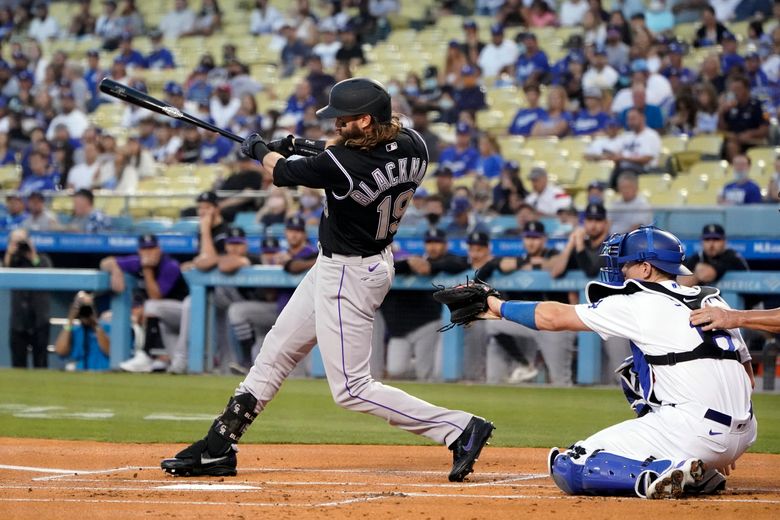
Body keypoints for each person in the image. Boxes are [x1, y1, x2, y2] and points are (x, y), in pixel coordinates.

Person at [161, 77, 494, 481]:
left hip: (347, 274)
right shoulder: (413, 143)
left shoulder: (344, 166)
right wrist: (301, 145)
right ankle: (218, 445)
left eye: (344, 119)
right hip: (361, 262)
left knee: (352, 388)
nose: (335, 125)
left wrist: (260, 150)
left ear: (367, 120)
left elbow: (281, 173)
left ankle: (459, 428)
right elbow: (344, 154)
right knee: (277, 349)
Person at [479, 225, 756, 498]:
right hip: (742, 431)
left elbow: (553, 317)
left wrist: (499, 307)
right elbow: (747, 375)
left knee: (571, 464)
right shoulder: (715, 301)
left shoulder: (638, 301)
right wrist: (727, 437)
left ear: (646, 269)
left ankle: (666, 469)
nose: (621, 270)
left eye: (626, 264)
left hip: (696, 432)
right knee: (633, 369)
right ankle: (699, 471)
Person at [227, 217, 318, 372]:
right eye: (290, 230)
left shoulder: (311, 253)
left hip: (303, 315)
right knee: (237, 311)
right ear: (285, 232)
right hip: (279, 309)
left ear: (303, 234)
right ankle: (245, 361)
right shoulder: (280, 255)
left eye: (297, 231)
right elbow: (270, 294)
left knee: (303, 371)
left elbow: (300, 265)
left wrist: (290, 262)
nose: (294, 235)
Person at [383, 228, 468, 381]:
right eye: (429, 242)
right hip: (402, 327)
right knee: (395, 370)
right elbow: (393, 267)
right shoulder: (415, 260)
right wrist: (410, 263)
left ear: (445, 245)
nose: (433, 246)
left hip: (429, 322)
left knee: (427, 374)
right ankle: (415, 366)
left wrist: (432, 267)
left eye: (437, 242)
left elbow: (459, 264)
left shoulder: (449, 260)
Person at [101, 234, 189, 373]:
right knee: (179, 366)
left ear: (159, 249)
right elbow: (105, 262)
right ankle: (158, 361)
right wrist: (115, 269)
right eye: (145, 249)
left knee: (151, 305)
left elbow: (155, 296)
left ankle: (146, 355)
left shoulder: (170, 265)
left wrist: (147, 270)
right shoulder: (138, 261)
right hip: (166, 319)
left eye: (152, 248)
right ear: (139, 251)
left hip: (185, 314)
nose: (148, 252)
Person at [3, 228, 52, 368]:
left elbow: (45, 271)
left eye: (22, 241)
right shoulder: (13, 261)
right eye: (15, 241)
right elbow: (5, 271)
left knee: (41, 364)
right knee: (18, 364)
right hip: (18, 320)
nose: (20, 245)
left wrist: (32, 255)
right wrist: (10, 252)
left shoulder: (42, 259)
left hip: (39, 318)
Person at [54, 291, 110, 371]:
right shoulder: (74, 330)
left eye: (88, 308)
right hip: (80, 372)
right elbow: (60, 351)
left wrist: (95, 324)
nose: (85, 312)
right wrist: (70, 319)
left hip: (102, 371)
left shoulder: (105, 326)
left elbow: (109, 351)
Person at [679, 224, 749, 287]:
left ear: (724, 241)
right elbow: (681, 281)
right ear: (701, 242)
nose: (711, 244)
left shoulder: (732, 256)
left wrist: (695, 274)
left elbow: (707, 274)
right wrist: (697, 274)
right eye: (707, 239)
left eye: (716, 239)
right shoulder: (698, 257)